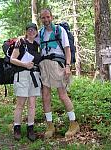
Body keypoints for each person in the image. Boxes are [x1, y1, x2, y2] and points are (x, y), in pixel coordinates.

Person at [38, 8, 80, 138]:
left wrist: (68, 66)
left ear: (52, 17)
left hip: (58, 65)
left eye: (48, 17)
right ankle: (50, 126)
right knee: (45, 96)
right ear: (41, 19)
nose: (46, 20)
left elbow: (67, 50)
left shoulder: (59, 30)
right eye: (43, 18)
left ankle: (74, 124)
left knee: (62, 95)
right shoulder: (40, 33)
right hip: (44, 66)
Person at [10, 23, 41, 141]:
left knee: (32, 104)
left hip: (34, 76)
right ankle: (17, 128)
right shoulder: (21, 43)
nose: (32, 32)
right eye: (29, 30)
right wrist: (24, 64)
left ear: (37, 32)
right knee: (20, 104)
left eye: (34, 30)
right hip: (22, 75)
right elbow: (13, 59)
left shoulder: (38, 44)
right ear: (26, 31)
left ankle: (30, 128)